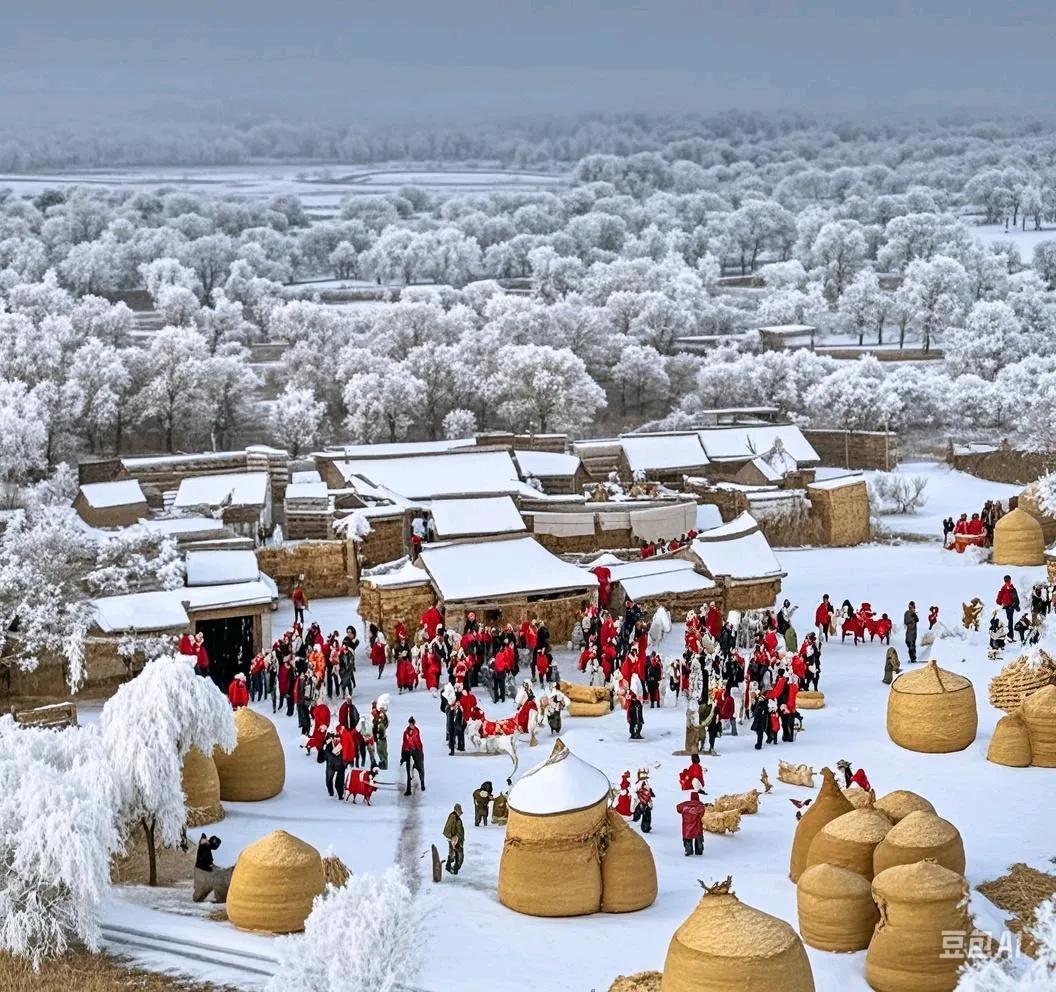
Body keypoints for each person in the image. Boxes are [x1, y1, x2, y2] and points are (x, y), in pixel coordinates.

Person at [676, 791, 707, 856]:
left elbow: (678, 808)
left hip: (687, 827)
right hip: (697, 825)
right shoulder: (700, 805)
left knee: (687, 838)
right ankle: (699, 850)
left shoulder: (685, 805)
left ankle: (688, 850)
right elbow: (703, 812)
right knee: (698, 838)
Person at [401, 717, 425, 796]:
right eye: (410, 724)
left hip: (416, 751)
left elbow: (418, 742)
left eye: (412, 724)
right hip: (408, 752)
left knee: (420, 768)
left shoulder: (416, 731)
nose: (411, 725)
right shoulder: (406, 732)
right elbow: (404, 743)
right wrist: (403, 755)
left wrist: (420, 751)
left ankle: (422, 783)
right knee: (409, 772)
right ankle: (408, 789)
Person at [443, 804, 465, 875]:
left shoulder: (452, 815)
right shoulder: (455, 818)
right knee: (459, 856)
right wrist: (455, 838)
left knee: (452, 853)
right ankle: (454, 869)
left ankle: (448, 867)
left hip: (452, 839)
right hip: (456, 839)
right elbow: (454, 829)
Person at [323, 729, 345, 799]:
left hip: (337, 765)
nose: (336, 739)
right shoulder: (328, 745)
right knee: (332, 780)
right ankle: (333, 793)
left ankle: (337, 794)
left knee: (336, 781)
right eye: (335, 737)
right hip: (334, 765)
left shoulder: (342, 744)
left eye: (338, 737)